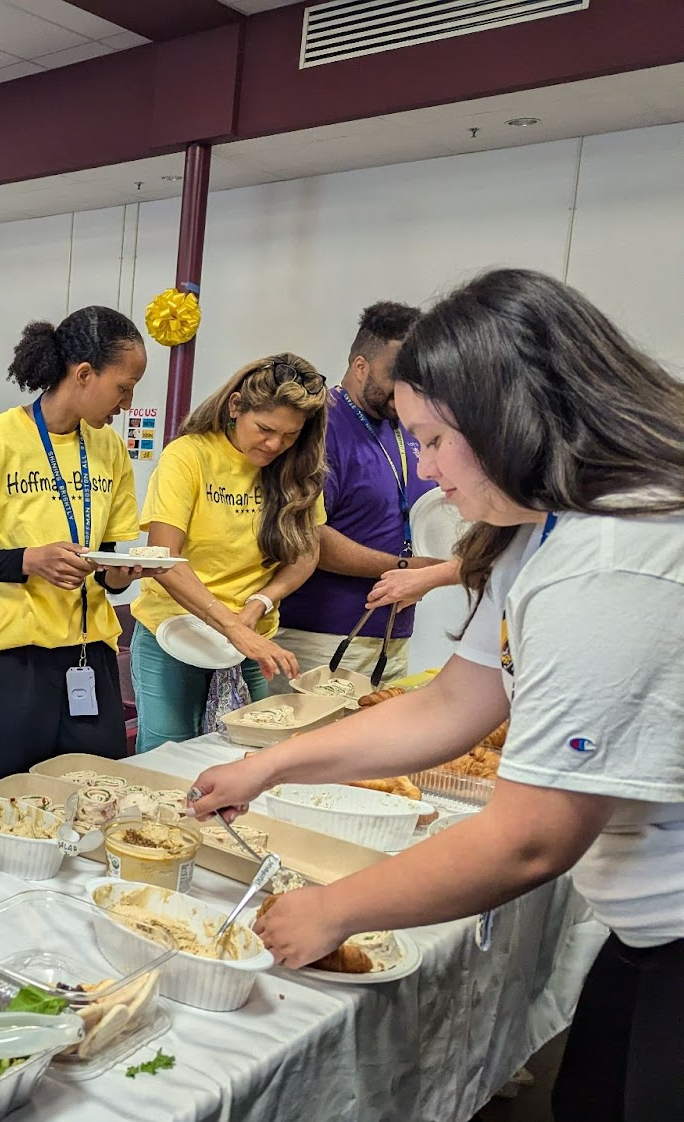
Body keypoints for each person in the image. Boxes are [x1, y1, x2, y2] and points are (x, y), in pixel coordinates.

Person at [190, 269, 684, 1120]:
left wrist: (333, 909)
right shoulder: (540, 529)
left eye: (432, 441)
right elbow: (454, 706)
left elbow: (530, 841)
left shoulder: (612, 558)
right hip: (645, 930)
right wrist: (269, 767)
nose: (424, 469)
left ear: (511, 420)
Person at [0, 307, 149, 787]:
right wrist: (28, 560)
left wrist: (119, 573)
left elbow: (106, 558)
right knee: (7, 805)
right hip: (12, 656)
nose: (127, 403)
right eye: (123, 387)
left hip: (90, 650)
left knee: (98, 797)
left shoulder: (110, 450)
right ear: (84, 374)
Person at [129, 355, 328, 751]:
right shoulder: (188, 456)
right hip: (175, 634)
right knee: (167, 758)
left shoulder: (297, 470)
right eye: (266, 429)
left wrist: (258, 604)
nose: (275, 445)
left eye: (290, 435)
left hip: (251, 641)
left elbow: (305, 554)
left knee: (246, 755)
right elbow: (163, 560)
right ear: (236, 406)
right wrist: (233, 627)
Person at [273, 302, 454, 687]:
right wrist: (405, 568)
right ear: (360, 366)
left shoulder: (404, 425)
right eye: (397, 375)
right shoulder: (319, 427)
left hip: (392, 636)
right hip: (320, 637)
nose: (407, 389)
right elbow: (309, 534)